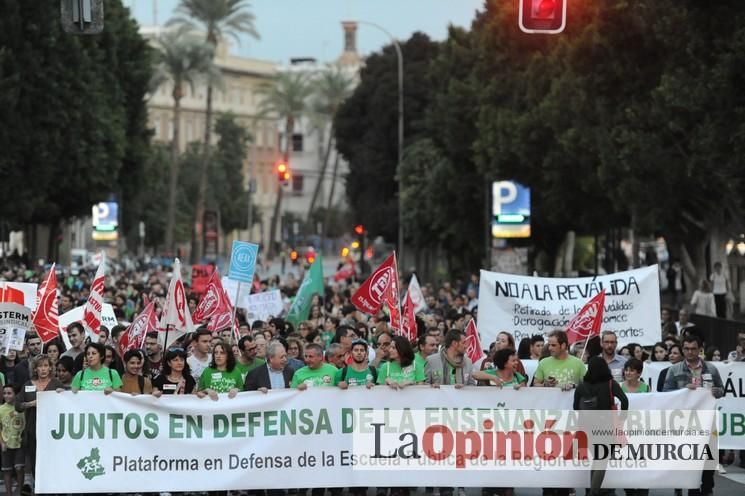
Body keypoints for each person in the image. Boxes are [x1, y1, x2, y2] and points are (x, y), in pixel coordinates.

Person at [663, 335, 724, 496]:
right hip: (685, 423)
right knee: (689, 458)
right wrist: (683, 391)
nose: (690, 352)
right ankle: (691, 488)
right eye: (686, 349)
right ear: (683, 349)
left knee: (708, 457)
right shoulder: (674, 370)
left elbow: (721, 390)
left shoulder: (711, 369)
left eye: (693, 348)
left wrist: (715, 391)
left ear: (700, 349)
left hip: (708, 421)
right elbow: (665, 393)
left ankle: (707, 488)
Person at [574, 357, 628, 496]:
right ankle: (593, 493)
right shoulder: (611, 384)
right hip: (606, 426)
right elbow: (624, 400)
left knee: (597, 459)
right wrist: (622, 418)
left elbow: (575, 407)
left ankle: (591, 491)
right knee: (602, 461)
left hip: (587, 428)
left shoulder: (582, 385)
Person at [15, 355, 62, 489]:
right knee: (36, 462)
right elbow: (18, 406)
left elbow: (66, 403)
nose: (43, 369)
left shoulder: (56, 384)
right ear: (35, 369)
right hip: (33, 431)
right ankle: (40, 488)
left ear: (50, 367)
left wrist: (63, 394)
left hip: (53, 432)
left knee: (53, 462)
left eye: (46, 365)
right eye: (40, 366)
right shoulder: (28, 385)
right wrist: (31, 404)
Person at [0, 384, 25, 496]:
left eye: (9, 393)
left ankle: (19, 492)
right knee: (7, 470)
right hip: (6, 444)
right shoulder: (1, 409)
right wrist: (1, 442)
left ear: (15, 394)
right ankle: (9, 494)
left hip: (19, 443)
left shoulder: (22, 407)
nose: (6, 395)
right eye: (4, 393)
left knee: (19, 468)